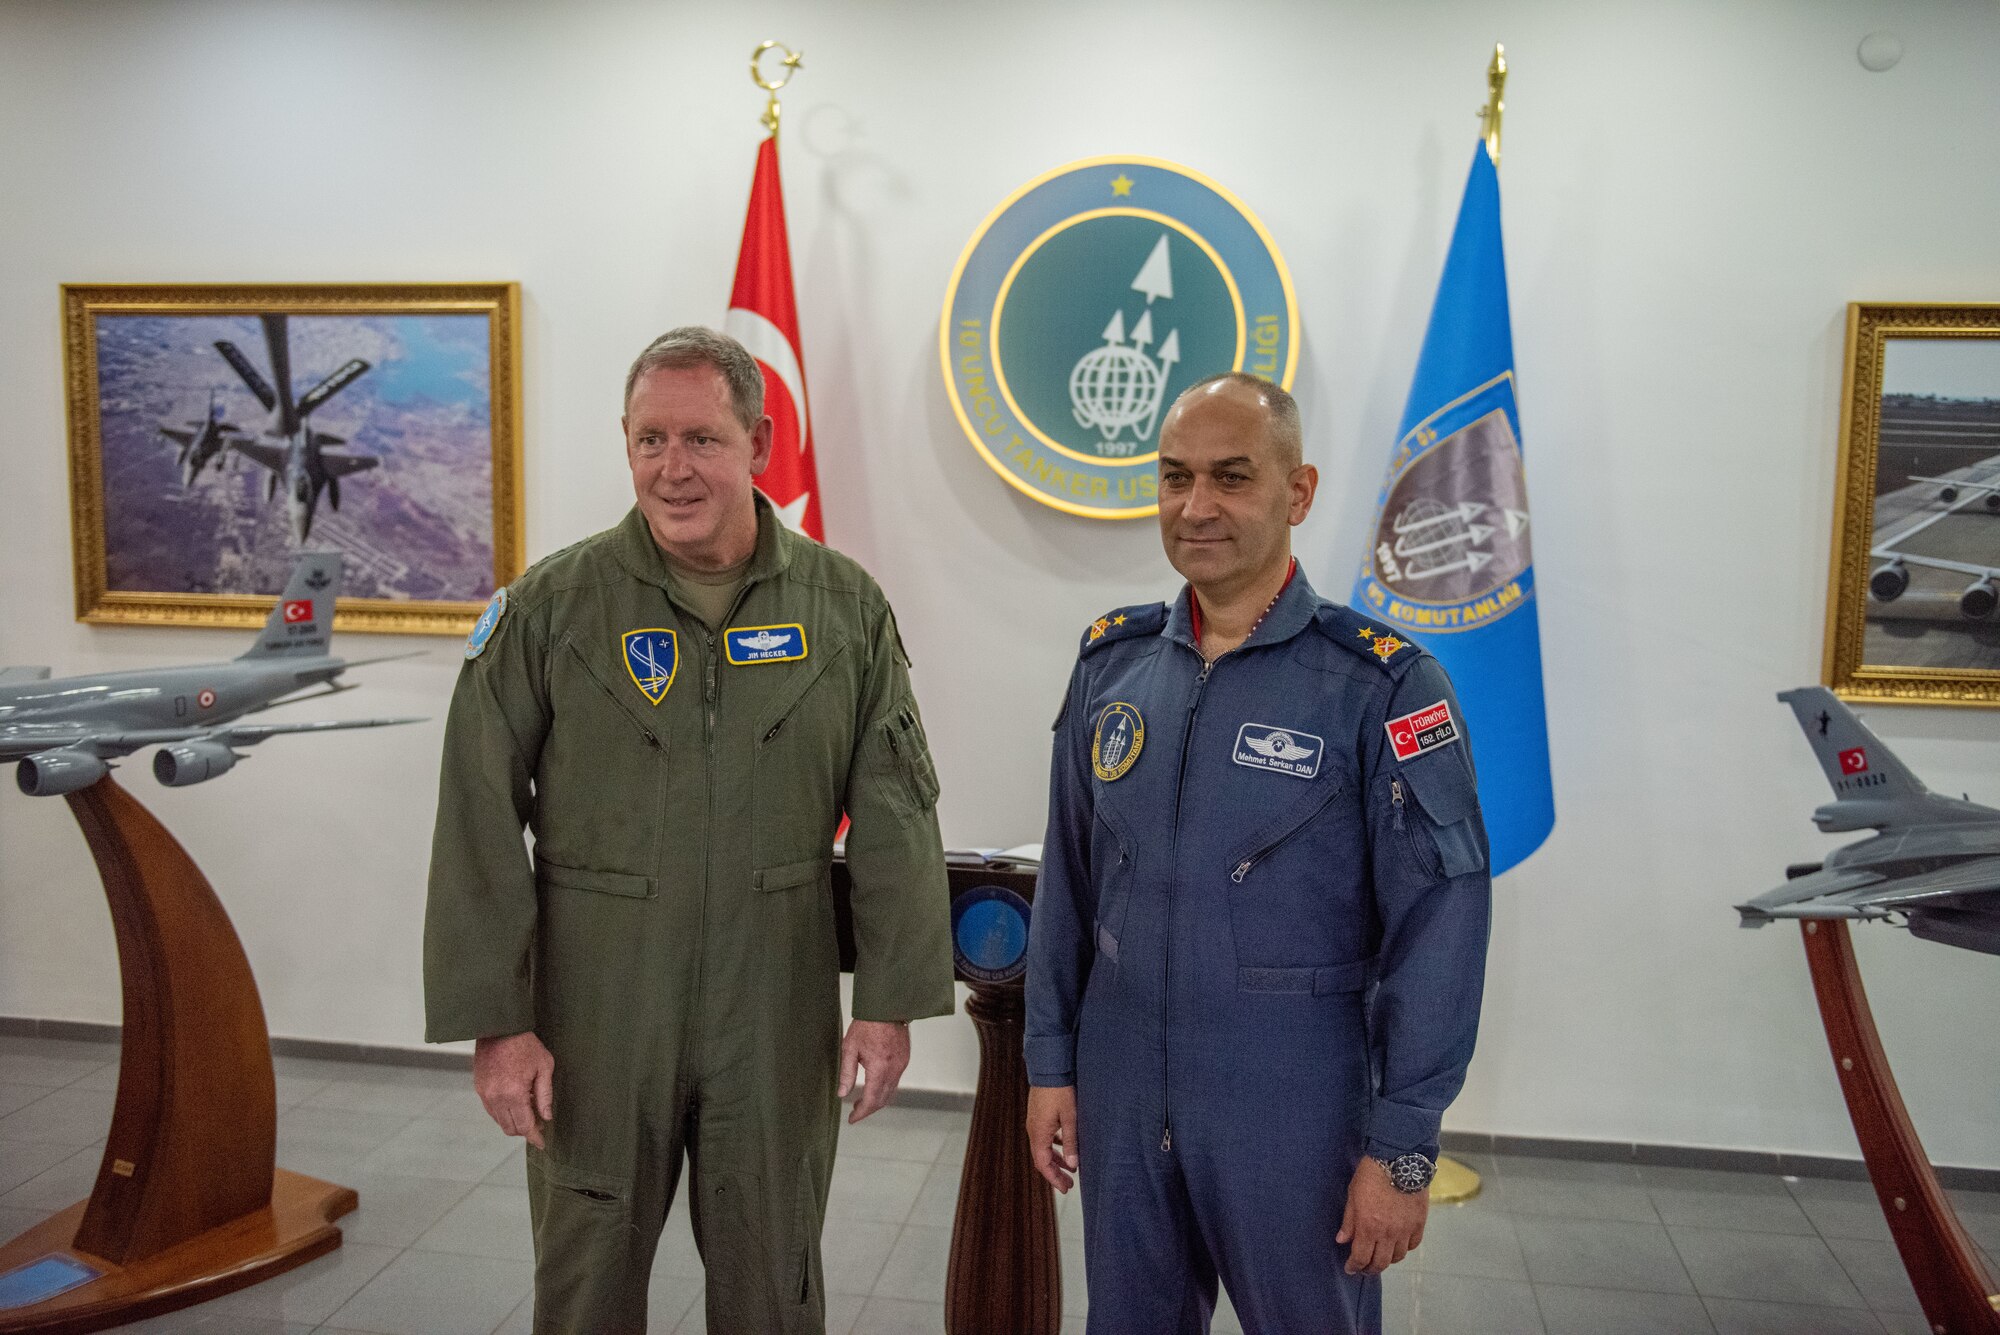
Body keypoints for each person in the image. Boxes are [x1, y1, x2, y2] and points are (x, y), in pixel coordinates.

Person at [424, 326, 954, 1335]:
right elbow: (476, 814)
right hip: (596, 1001)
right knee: (586, 1272)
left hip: (776, 993)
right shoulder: (551, 607)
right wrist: (498, 1018)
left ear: (757, 440)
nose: (673, 469)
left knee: (772, 1273)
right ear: (624, 444)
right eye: (649, 440)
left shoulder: (844, 610)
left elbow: (894, 810)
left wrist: (887, 1003)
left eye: (701, 439)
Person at [1024, 373, 1492, 1333]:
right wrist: (1050, 1063)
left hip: (1294, 1107)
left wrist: (1402, 1149)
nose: (1197, 506)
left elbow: (1440, 931)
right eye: (1175, 477)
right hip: (1121, 1087)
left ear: (1299, 491)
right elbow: (1068, 886)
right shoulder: (1112, 666)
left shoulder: (1383, 686)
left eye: (1231, 477)